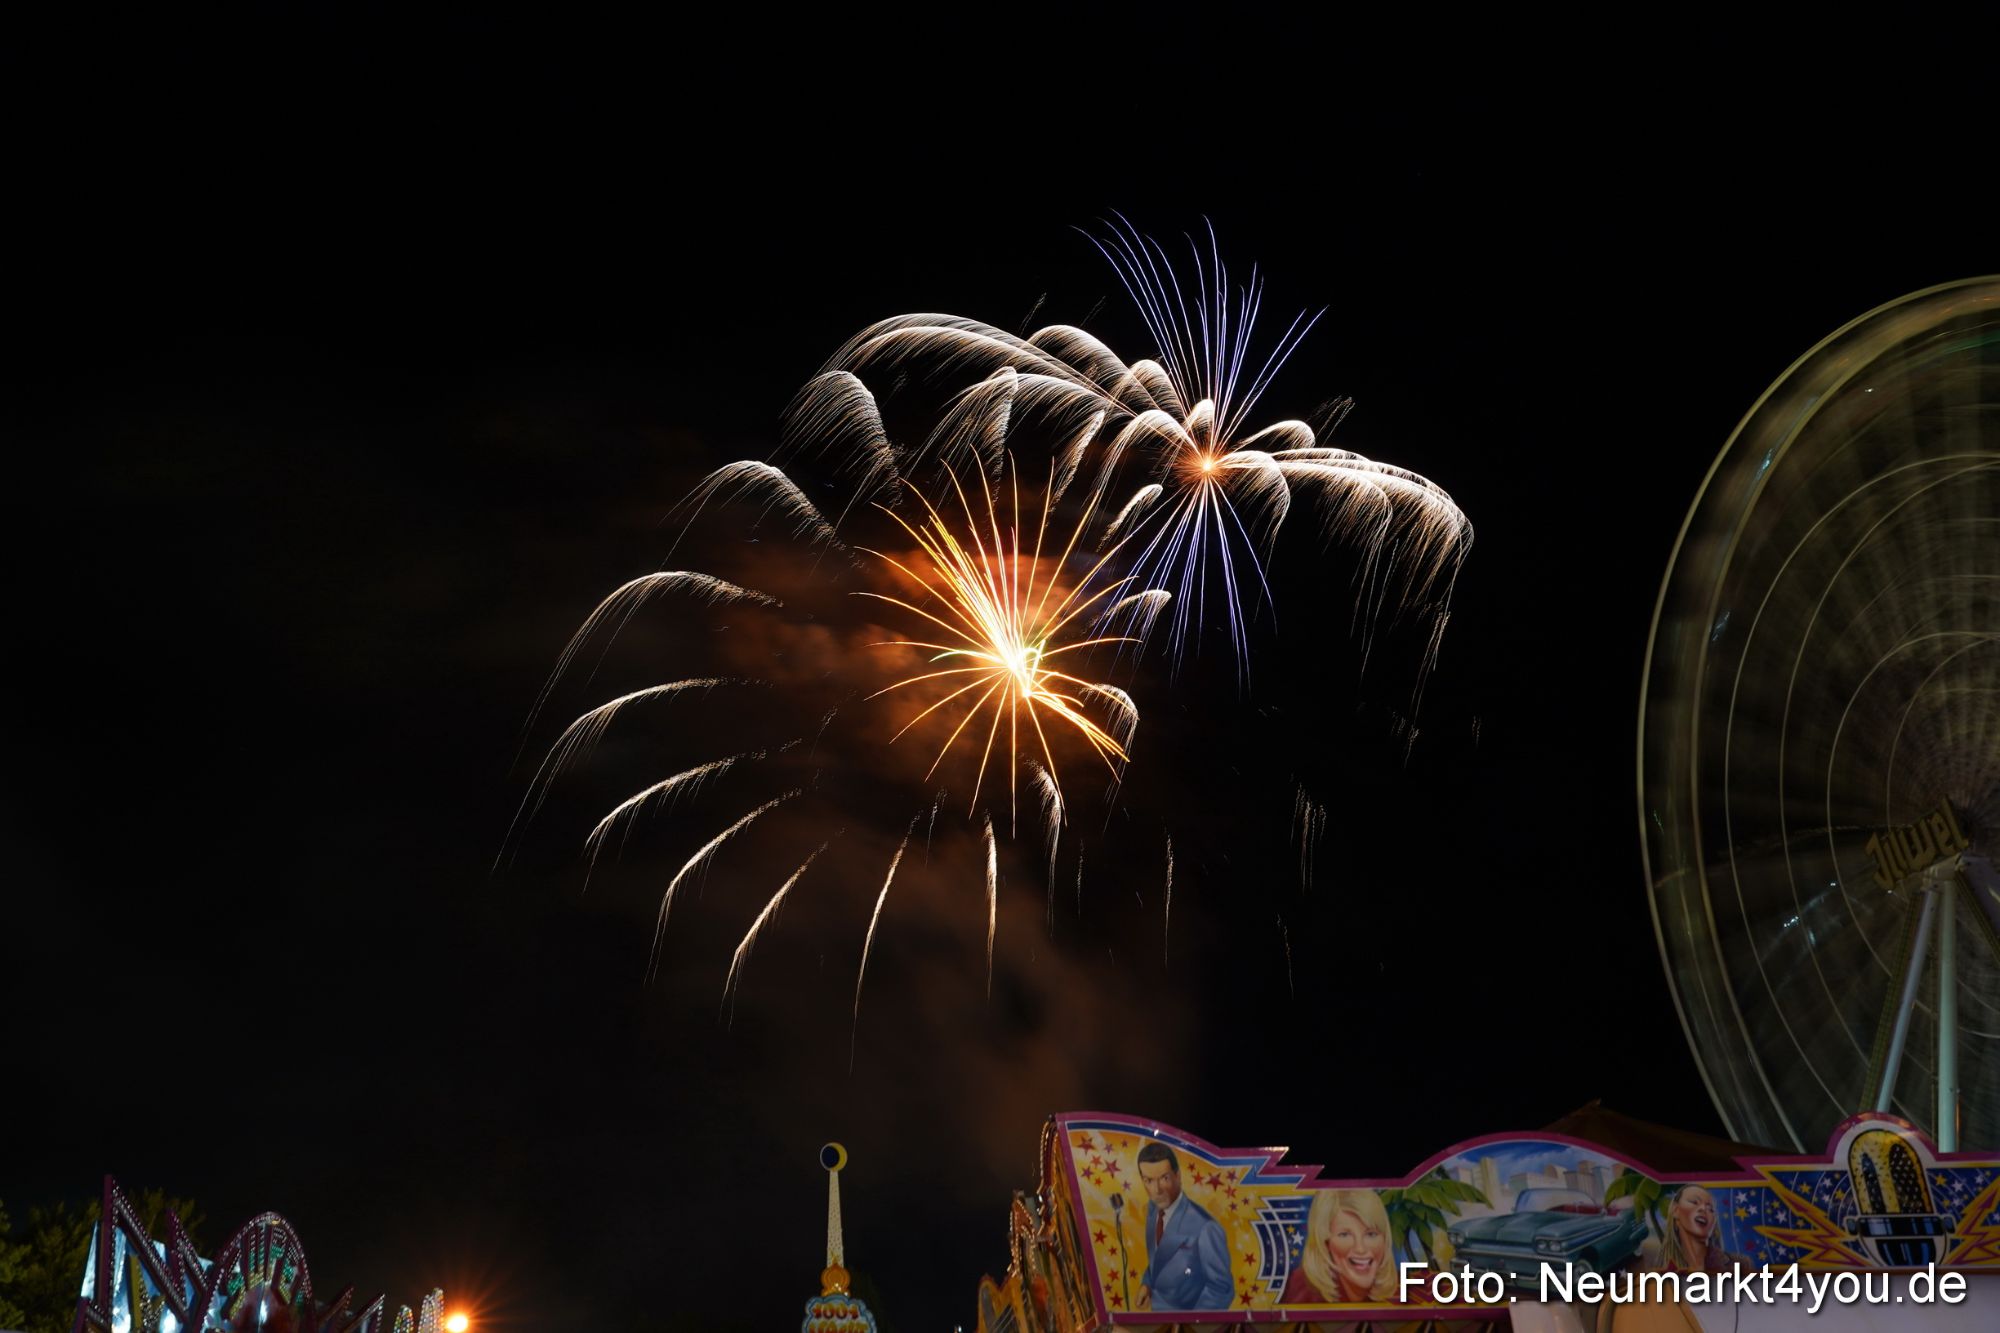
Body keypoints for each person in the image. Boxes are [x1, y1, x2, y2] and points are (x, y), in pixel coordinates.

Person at [1134, 1141, 1234, 1311]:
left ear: (1178, 1176)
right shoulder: (1153, 1211)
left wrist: (1190, 1323)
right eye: (1148, 1180)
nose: (1156, 1190)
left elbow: (1221, 1290)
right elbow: (1159, 1259)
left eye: (1164, 1178)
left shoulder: (1206, 1228)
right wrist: (1147, 1284)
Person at [1281, 1188, 1399, 1304]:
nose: (1360, 1249)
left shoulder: (1403, 1290)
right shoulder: (1303, 1292)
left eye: (1371, 1234)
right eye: (1345, 1235)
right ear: (1325, 1243)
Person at [1638, 1185, 1748, 1273]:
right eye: (1694, 1202)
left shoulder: (1739, 1265)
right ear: (1675, 1210)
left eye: (1710, 1209)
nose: (1703, 1209)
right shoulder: (1655, 1269)